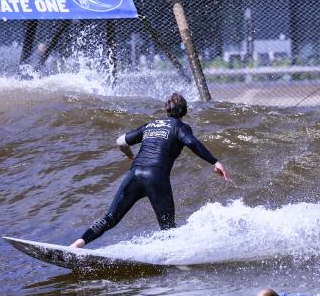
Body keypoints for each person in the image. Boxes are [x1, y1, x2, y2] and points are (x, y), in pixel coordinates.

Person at [71, 93, 230, 248]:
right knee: (168, 228)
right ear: (184, 112)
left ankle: (77, 244)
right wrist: (214, 162)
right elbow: (190, 141)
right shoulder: (181, 127)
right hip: (156, 178)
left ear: (166, 110)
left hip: (135, 174)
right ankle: (179, 265)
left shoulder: (150, 125)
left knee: (110, 218)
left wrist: (129, 155)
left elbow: (120, 141)